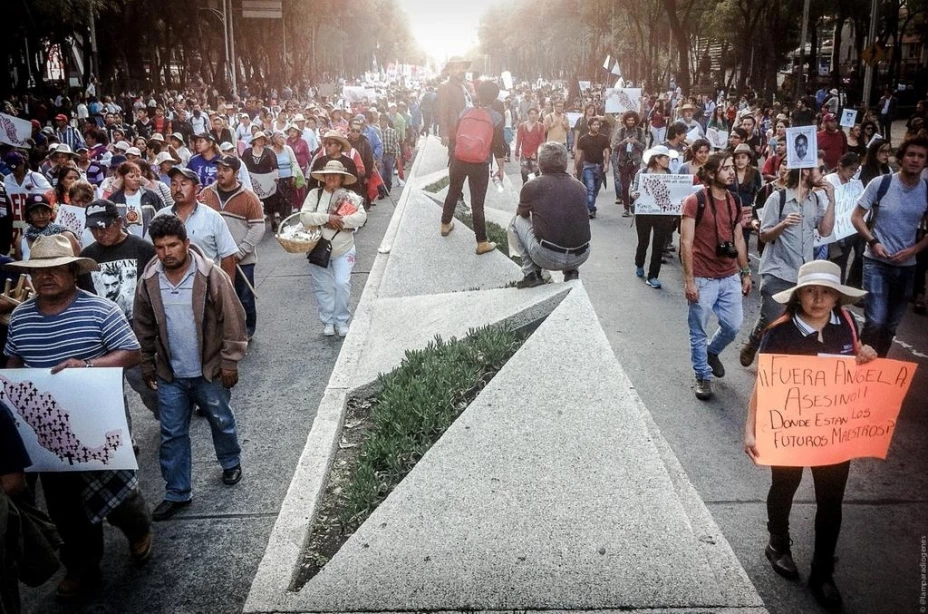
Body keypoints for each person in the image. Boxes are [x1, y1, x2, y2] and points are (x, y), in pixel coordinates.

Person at [4, 234, 153, 598]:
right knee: (64, 506)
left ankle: (139, 530)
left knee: (120, 499)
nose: (46, 278)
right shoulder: (20, 318)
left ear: (73, 272)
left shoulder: (101, 310)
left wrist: (87, 364)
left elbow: (131, 353)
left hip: (99, 424)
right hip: (48, 434)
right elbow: (13, 363)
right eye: (39, 272)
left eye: (55, 270)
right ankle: (82, 566)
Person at [744, 260, 875, 612]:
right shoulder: (781, 331)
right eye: (811, 291)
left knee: (831, 502)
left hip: (834, 434)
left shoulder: (846, 323)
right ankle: (778, 542)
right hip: (789, 429)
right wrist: (751, 429)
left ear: (837, 298)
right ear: (799, 295)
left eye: (826, 292)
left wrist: (864, 355)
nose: (818, 299)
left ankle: (821, 571)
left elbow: (855, 365)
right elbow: (764, 383)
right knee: (784, 486)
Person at [133, 214, 247, 521]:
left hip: (208, 369)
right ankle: (177, 492)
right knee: (171, 433)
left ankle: (230, 462)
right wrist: (146, 361)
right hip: (171, 372)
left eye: (172, 245)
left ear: (186, 243)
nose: (167, 252)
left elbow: (234, 318)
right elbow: (142, 324)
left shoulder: (210, 275)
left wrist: (229, 361)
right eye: (159, 247)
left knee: (221, 419)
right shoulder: (149, 280)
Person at [739, 165, 837, 366]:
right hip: (777, 271)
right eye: (819, 170)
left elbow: (825, 231)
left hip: (803, 276)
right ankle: (754, 340)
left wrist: (832, 200)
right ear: (806, 172)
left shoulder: (816, 199)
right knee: (771, 319)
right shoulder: (778, 198)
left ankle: (776, 367)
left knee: (795, 324)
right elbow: (764, 235)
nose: (823, 174)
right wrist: (782, 225)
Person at [680, 152, 752, 400]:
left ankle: (712, 352)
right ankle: (702, 375)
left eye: (733, 167)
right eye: (726, 168)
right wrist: (689, 280)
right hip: (703, 277)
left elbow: (739, 238)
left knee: (733, 326)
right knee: (698, 330)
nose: (732, 172)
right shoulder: (694, 201)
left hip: (729, 275)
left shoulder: (735, 200)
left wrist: (745, 272)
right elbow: (686, 242)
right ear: (711, 174)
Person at [850, 136, 928, 357]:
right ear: (901, 158)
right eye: (911, 154)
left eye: (921, 156)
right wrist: (873, 242)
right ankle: (861, 364)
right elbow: (856, 217)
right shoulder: (881, 184)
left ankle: (879, 368)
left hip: (907, 267)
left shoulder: (925, 190)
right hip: (876, 264)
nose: (915, 160)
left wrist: (914, 250)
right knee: (875, 321)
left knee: (890, 326)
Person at [200, 155, 266, 341]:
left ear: (236, 173)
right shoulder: (206, 194)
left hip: (241, 259)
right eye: (218, 169)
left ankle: (247, 330)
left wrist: (240, 252)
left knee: (243, 296)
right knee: (216, 297)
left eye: (226, 169)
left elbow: (258, 227)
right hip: (213, 259)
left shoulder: (249, 197)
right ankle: (221, 331)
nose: (220, 173)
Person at [439, 80, 508, 255]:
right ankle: (481, 242)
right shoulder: (496, 117)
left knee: (453, 191)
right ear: (494, 97)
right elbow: (498, 145)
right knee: (477, 204)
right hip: (480, 164)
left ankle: (445, 224)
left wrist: (453, 154)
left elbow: (455, 134)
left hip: (459, 159)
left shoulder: (466, 110)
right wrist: (501, 168)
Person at [300, 161, 368, 336]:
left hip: (344, 248)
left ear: (342, 178)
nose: (331, 178)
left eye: (335, 175)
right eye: (328, 174)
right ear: (323, 177)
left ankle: (342, 320)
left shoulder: (350, 196)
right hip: (317, 249)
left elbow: (361, 218)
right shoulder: (314, 194)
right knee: (323, 287)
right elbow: (304, 217)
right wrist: (326, 218)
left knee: (341, 283)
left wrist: (340, 222)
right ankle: (328, 321)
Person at [509, 142, 591, 288]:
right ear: (565, 163)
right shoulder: (580, 187)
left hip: (547, 256)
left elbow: (522, 214)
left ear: (540, 163)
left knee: (516, 222)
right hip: (581, 255)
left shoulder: (532, 186)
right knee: (570, 218)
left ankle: (531, 273)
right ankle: (572, 272)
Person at [155, 167, 238, 280]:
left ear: (197, 188)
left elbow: (228, 257)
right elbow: (150, 251)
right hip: (169, 287)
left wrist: (226, 290)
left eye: (183, 184)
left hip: (205, 284)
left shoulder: (212, 217)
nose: (178, 189)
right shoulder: (161, 216)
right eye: (174, 184)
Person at [629, 145, 678, 288]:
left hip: (662, 215)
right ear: (657, 159)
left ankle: (653, 275)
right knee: (643, 242)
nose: (668, 160)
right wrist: (633, 194)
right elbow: (633, 187)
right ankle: (639, 264)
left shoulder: (670, 175)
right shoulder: (642, 172)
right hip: (644, 213)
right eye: (666, 157)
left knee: (658, 245)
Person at [574, 116, 611, 219]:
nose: (596, 126)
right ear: (589, 126)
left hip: (599, 166)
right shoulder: (583, 139)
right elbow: (578, 154)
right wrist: (575, 168)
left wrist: (607, 164)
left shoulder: (603, 138)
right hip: (587, 166)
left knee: (596, 189)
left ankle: (589, 205)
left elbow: (607, 151)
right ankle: (591, 208)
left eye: (598, 124)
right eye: (594, 124)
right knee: (590, 187)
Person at [612, 111, 646, 215]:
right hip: (623, 162)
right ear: (625, 120)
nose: (631, 122)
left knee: (636, 185)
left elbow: (643, 146)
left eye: (632, 120)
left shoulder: (640, 131)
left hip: (635, 162)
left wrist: (635, 142)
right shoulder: (621, 131)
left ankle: (633, 204)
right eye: (629, 120)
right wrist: (625, 142)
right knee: (625, 186)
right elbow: (615, 146)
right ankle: (626, 208)